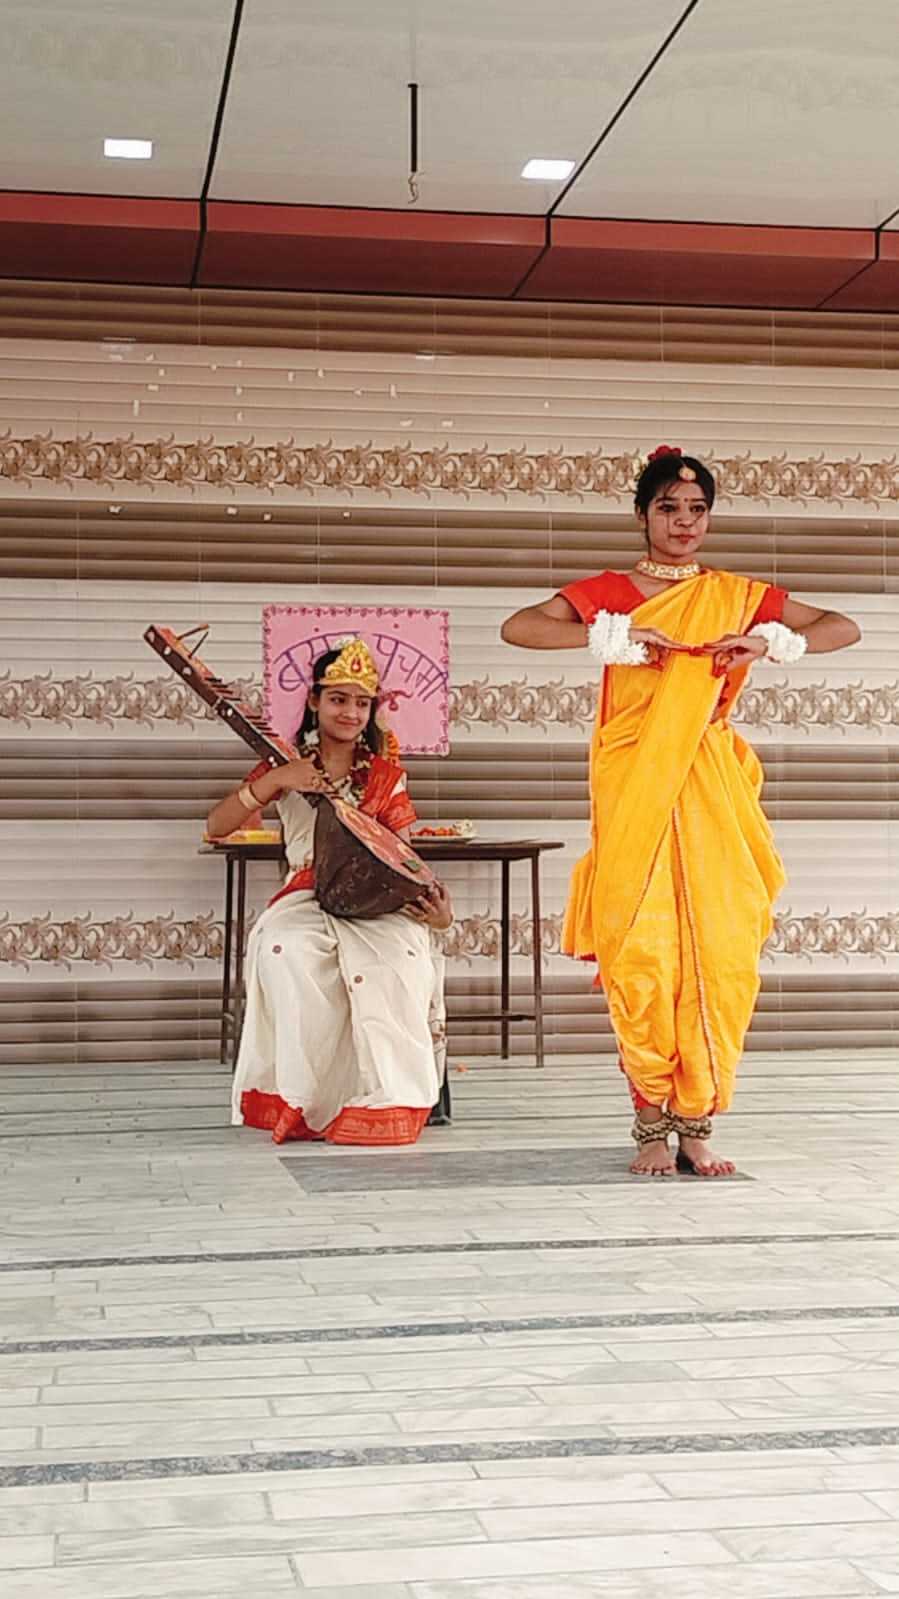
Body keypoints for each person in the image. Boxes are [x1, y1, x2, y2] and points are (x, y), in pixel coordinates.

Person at [501, 445, 861, 1177]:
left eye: (697, 509)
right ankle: (649, 1126)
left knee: (719, 949)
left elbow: (841, 625)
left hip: (708, 783)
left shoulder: (734, 593)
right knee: (643, 951)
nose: (684, 522)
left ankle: (696, 1124)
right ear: (642, 515)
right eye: (668, 507)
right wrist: (614, 634)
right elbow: (520, 626)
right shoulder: (612, 591)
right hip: (634, 780)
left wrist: (768, 640)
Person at [206, 637, 453, 1146]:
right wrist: (278, 779)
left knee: (400, 961)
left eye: (362, 703)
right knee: (286, 952)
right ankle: (308, 1105)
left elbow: (403, 859)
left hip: (375, 901)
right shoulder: (283, 763)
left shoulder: (385, 776)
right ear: (315, 701)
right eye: (338, 699)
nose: (350, 712)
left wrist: (439, 914)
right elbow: (216, 826)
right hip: (305, 894)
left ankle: (385, 1104)